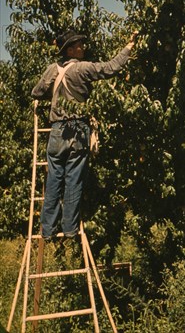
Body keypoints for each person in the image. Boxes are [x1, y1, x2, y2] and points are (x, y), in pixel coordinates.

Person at [32, 29, 137, 240]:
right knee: (73, 181)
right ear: (70, 49)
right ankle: (70, 229)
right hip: (77, 129)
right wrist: (128, 48)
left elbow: (36, 92)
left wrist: (54, 97)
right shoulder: (83, 68)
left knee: (53, 180)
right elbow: (110, 68)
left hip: (56, 131)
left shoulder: (52, 69)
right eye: (79, 45)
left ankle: (48, 230)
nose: (83, 47)